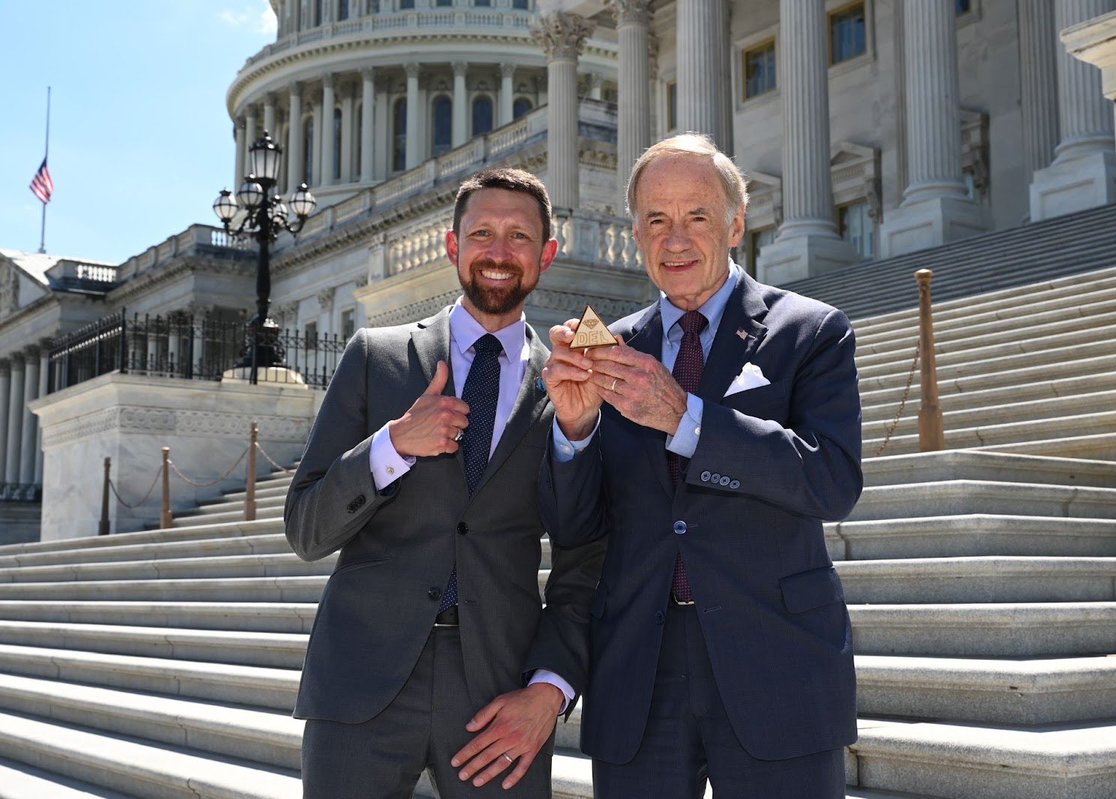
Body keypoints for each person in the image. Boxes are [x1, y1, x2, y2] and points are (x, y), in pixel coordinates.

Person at [539, 134, 862, 798]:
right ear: (635, 233)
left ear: (736, 224)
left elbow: (831, 480)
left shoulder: (814, 331)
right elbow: (577, 526)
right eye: (656, 219)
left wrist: (687, 416)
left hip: (777, 659)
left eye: (697, 216)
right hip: (638, 668)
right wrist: (573, 428)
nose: (675, 238)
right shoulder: (612, 349)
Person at [285, 167, 603, 798]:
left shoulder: (570, 383)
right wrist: (392, 445)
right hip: (362, 678)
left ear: (546, 255)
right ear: (453, 246)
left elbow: (587, 556)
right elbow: (305, 528)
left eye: (518, 236)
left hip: (498, 693)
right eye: (482, 232)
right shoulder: (376, 358)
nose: (498, 252)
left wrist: (550, 689)